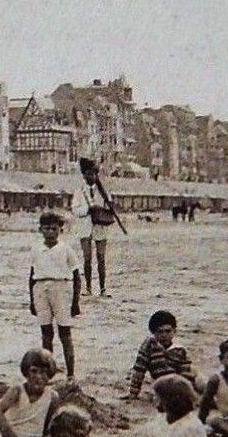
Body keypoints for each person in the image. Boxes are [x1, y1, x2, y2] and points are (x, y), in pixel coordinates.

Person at [28, 211, 81, 379]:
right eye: (46, 229)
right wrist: (31, 300)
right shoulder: (36, 249)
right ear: (40, 230)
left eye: (54, 229)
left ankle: (70, 374)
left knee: (65, 332)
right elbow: (31, 275)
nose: (50, 232)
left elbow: (76, 276)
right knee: (46, 332)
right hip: (40, 288)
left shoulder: (66, 249)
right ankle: (47, 371)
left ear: (60, 230)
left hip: (61, 288)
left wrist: (75, 301)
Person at [0, 348, 61, 437]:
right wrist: (10, 436)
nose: (38, 376)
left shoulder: (53, 396)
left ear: (50, 374)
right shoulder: (18, 390)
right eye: (34, 371)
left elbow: (50, 426)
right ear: (26, 373)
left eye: (43, 372)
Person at [73, 157, 120, 296]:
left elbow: (110, 208)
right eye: (88, 173)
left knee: (101, 258)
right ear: (84, 175)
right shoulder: (79, 191)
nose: (91, 176)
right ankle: (88, 288)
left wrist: (109, 206)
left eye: (93, 174)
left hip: (100, 227)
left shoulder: (103, 191)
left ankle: (102, 288)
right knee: (87, 258)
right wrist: (88, 209)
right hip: (85, 227)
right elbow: (75, 210)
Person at [125, 309, 196, 399]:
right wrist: (133, 393)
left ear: (174, 331)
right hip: (160, 385)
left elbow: (186, 373)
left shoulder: (180, 350)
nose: (164, 335)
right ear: (153, 333)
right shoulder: (149, 345)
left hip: (178, 384)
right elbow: (139, 369)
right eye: (160, 331)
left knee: (198, 380)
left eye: (168, 331)